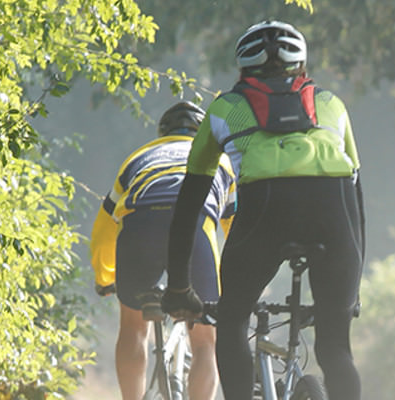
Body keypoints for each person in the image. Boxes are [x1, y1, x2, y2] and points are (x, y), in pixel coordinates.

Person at [159, 20, 366, 400]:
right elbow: (355, 195)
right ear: (302, 67)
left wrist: (178, 287)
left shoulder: (224, 109)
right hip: (334, 211)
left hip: (265, 209)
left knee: (234, 320)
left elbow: (189, 206)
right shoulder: (331, 104)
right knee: (335, 347)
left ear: (242, 68)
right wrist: (351, 287)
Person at [88, 101, 236, 400]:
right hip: (194, 227)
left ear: (162, 133)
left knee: (133, 325)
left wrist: (105, 278)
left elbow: (104, 228)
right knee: (205, 340)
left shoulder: (139, 157)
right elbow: (235, 228)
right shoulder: (219, 158)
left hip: (139, 224)